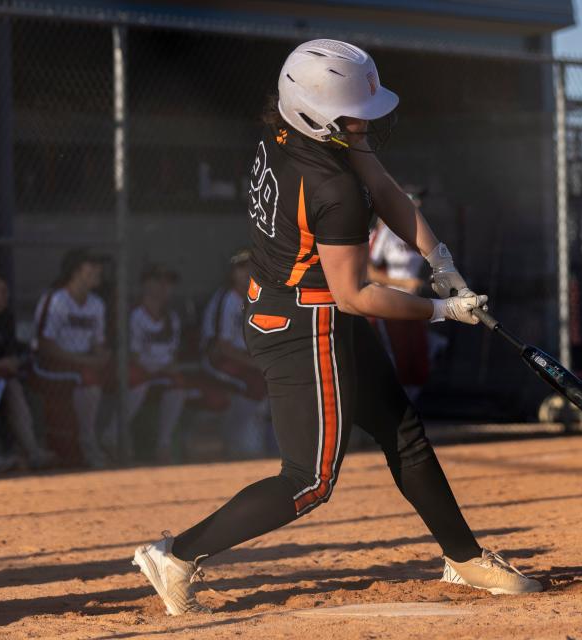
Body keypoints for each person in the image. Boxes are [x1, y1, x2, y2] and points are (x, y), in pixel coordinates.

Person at [133, 39, 540, 617]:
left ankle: (464, 557)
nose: (365, 124)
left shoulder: (292, 135)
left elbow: (388, 190)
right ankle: (175, 555)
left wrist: (441, 261)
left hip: (303, 304)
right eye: (354, 115)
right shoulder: (332, 187)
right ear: (318, 116)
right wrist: (442, 311)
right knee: (310, 480)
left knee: (401, 430)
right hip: (306, 323)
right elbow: (354, 295)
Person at [31, 248, 111, 468]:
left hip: (81, 363)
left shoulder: (96, 303)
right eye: (92, 265)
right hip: (50, 365)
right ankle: (87, 443)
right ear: (76, 271)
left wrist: (101, 354)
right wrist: (86, 361)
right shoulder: (57, 299)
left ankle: (110, 437)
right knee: (88, 378)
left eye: (99, 265)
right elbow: (45, 346)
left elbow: (98, 342)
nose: (99, 270)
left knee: (120, 374)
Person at [103, 265, 188, 463]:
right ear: (147, 285)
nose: (165, 288)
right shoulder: (135, 314)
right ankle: (112, 436)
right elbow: (132, 356)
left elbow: (172, 354)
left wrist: (167, 368)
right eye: (160, 282)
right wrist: (159, 367)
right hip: (135, 369)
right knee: (138, 381)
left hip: (158, 370)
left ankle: (163, 445)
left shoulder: (171, 318)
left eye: (169, 284)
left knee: (179, 385)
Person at [0, 267, 55, 471]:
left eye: (4, 292)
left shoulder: (6, 318)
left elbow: (9, 358)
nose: (0, 297)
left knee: (13, 387)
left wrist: (3, 367)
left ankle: (32, 452)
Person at [199, 250, 270, 457]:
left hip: (243, 358)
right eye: (240, 268)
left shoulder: (259, 298)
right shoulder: (227, 298)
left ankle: (247, 441)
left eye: (250, 267)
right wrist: (255, 363)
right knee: (254, 382)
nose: (246, 272)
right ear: (232, 273)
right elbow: (221, 347)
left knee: (271, 381)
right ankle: (236, 441)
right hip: (217, 360)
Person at [368, 191, 431, 401]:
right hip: (390, 303)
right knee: (398, 359)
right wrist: (403, 283)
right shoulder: (386, 230)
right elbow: (368, 271)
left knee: (419, 362)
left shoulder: (419, 231)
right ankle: (396, 415)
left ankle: (409, 410)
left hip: (413, 303)